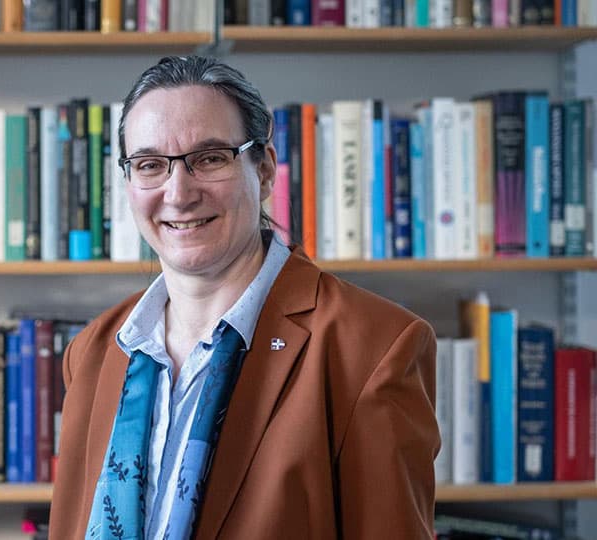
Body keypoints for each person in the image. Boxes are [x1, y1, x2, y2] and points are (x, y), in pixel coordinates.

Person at [49, 55, 439, 540]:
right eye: (150, 165)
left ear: (266, 170)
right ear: (128, 183)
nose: (178, 192)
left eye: (210, 158)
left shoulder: (373, 350)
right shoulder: (92, 353)